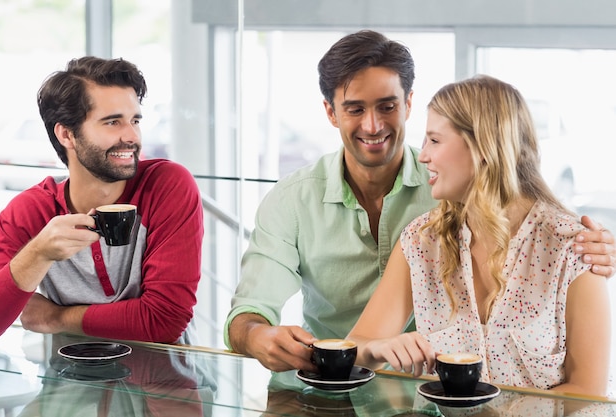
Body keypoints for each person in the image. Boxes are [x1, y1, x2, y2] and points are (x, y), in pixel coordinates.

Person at [224, 30, 616, 373]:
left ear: (408, 104)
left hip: (416, 399)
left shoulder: (462, 191)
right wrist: (258, 336)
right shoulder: (303, 203)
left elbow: (528, 217)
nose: (373, 125)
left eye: (387, 106)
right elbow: (250, 313)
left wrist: (591, 251)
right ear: (331, 112)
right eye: (355, 109)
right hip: (331, 390)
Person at [347, 75, 611, 396]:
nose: (422, 155)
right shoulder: (421, 241)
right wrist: (379, 347)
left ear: (482, 147)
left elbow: (587, 390)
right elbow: (356, 347)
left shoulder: (573, 248)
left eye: (434, 140)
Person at [0, 57, 203, 344]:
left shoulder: (167, 186)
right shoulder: (29, 212)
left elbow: (163, 320)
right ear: (66, 134)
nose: (132, 136)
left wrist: (55, 318)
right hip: (70, 377)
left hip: (162, 380)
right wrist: (38, 254)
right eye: (113, 122)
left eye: (135, 120)